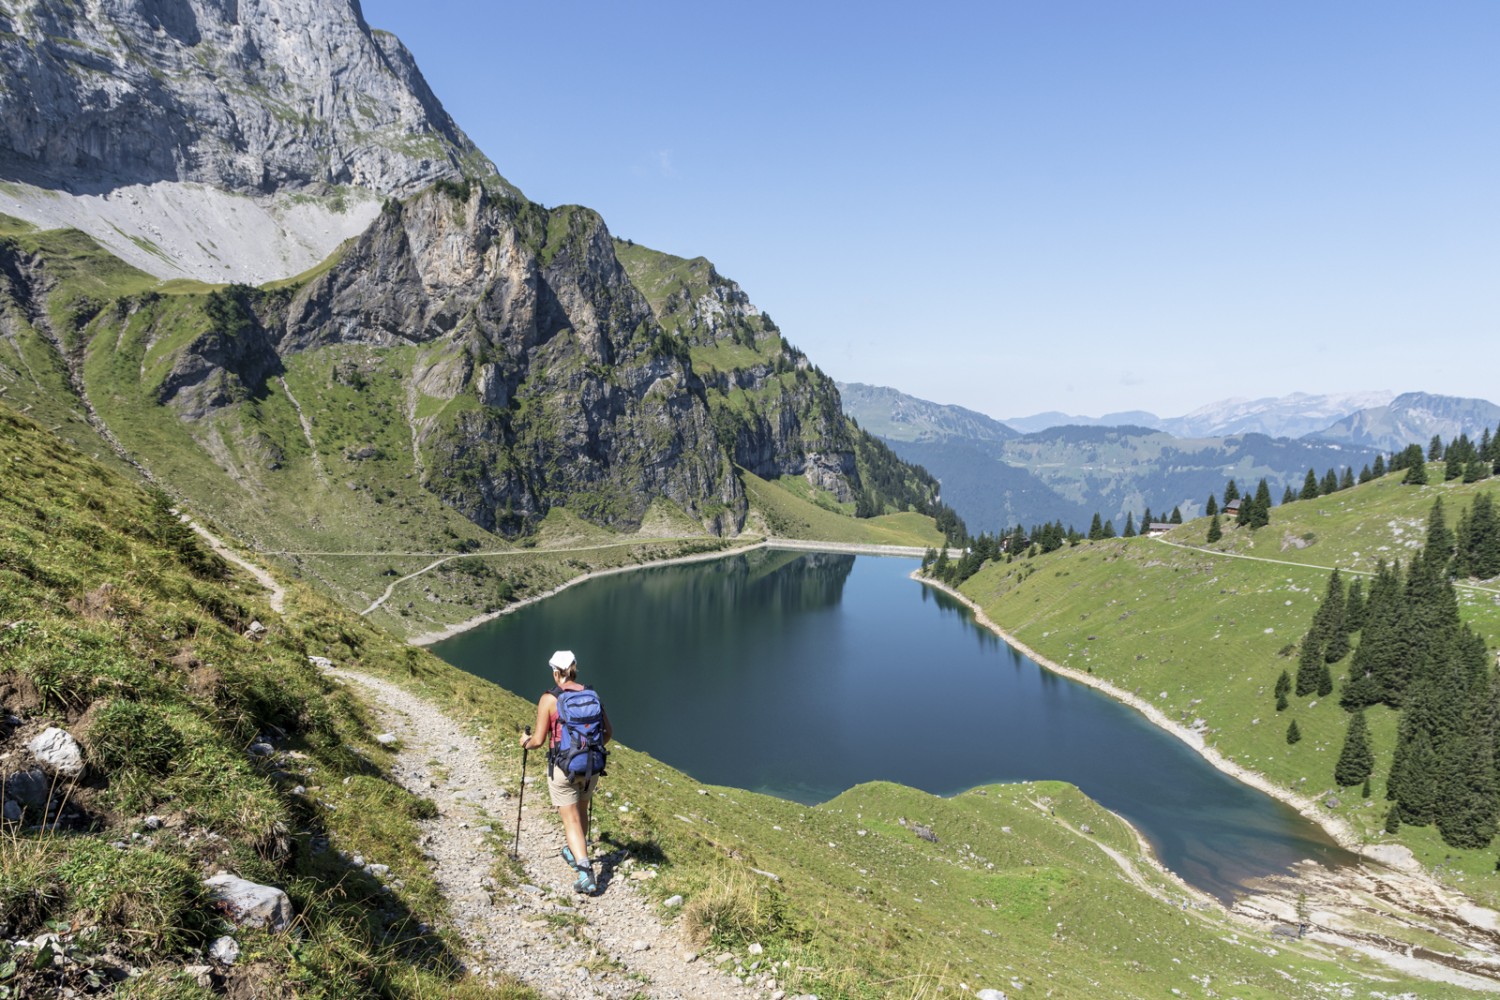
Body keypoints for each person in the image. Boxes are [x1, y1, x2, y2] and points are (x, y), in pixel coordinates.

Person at [520, 649, 612, 893]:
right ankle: (576, 853)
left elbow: (539, 740)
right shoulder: (591, 694)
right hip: (592, 766)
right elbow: (608, 733)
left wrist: (525, 741)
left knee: (570, 819)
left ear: (555, 672)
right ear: (574, 669)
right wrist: (589, 751)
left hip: (564, 767)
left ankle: (585, 873)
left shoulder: (549, 699)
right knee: (581, 812)